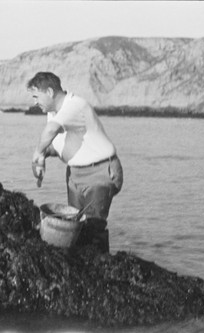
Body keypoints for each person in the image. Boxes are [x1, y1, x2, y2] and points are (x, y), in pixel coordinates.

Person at [28, 72, 123, 253]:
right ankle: (85, 269)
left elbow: (50, 131)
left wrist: (37, 153)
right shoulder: (53, 113)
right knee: (76, 227)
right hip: (75, 174)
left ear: (49, 91)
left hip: (100, 172)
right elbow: (59, 146)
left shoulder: (75, 105)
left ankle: (103, 268)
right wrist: (42, 157)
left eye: (36, 96)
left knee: (94, 227)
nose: (34, 102)